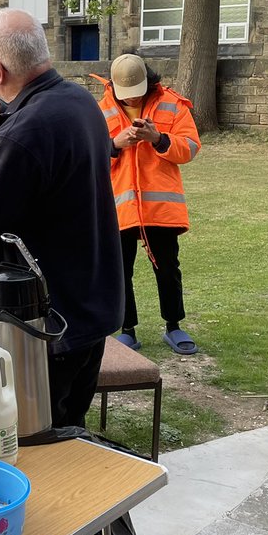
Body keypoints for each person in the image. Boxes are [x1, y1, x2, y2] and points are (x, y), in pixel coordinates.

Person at [0, 8, 123, 429]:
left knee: (36, 444)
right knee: (69, 432)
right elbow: (31, 177)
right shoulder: (77, 102)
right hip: (85, 308)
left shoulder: (27, 130)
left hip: (42, 328)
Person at [99, 53, 201, 355]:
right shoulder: (99, 110)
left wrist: (158, 138)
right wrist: (114, 145)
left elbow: (190, 147)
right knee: (120, 271)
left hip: (160, 208)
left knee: (168, 268)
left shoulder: (173, 104)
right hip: (119, 208)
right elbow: (86, 155)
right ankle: (126, 329)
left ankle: (174, 325)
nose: (133, 99)